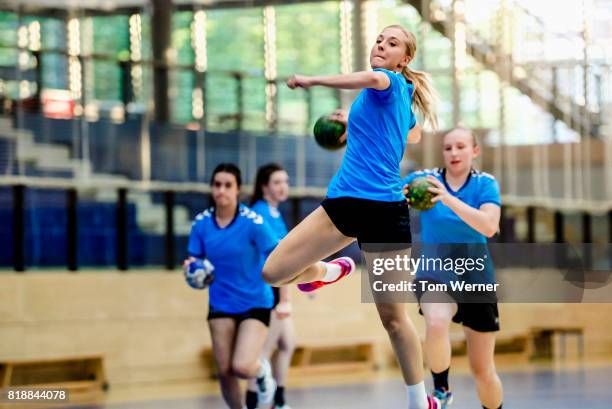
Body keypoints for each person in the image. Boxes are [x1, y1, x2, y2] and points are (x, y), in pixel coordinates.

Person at [262, 25, 440, 409]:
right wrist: (356, 123)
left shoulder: (388, 81)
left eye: (392, 43)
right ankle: (330, 272)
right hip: (343, 203)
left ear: (404, 60)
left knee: (393, 319)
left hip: (386, 213)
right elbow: (413, 136)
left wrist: (312, 80)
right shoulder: (384, 99)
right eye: (379, 39)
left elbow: (370, 79)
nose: (381, 45)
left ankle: (419, 400)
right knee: (273, 272)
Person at [403, 128, 504, 409]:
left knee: (483, 372)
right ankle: (442, 391)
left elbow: (489, 225)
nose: (454, 153)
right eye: (448, 148)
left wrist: (446, 198)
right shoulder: (424, 180)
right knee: (436, 321)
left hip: (476, 276)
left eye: (460, 146)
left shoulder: (485, 184)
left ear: (475, 151)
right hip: (435, 271)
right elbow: (391, 194)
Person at [184, 163, 278, 409]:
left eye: (228, 185)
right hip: (221, 303)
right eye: (217, 185)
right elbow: (194, 260)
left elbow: (278, 256)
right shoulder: (201, 224)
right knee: (224, 370)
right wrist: (192, 271)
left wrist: (286, 296)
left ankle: (261, 371)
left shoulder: (253, 222)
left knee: (242, 366)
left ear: (238, 190)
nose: (221, 191)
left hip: (255, 302)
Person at [245, 163, 295, 409]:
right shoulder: (260, 213)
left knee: (287, 343)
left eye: (285, 181)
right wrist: (284, 298)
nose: (283, 186)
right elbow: (275, 260)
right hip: (268, 290)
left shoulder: (274, 213)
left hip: (278, 288)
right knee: (263, 351)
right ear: (265, 187)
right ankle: (252, 402)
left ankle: (279, 400)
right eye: (277, 182)